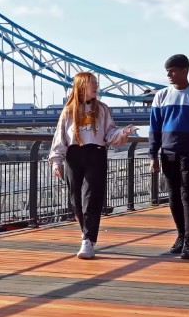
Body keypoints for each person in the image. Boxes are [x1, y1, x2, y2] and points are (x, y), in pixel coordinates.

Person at [49, 72, 137, 259]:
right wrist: (56, 161)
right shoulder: (68, 110)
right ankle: (86, 234)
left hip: (96, 153)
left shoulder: (102, 109)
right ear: (81, 86)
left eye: (96, 83)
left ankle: (88, 240)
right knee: (75, 200)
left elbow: (109, 133)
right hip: (74, 154)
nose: (96, 86)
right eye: (92, 83)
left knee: (91, 197)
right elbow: (60, 137)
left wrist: (123, 132)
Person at [149, 54, 189, 260]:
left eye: (173, 71)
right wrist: (153, 154)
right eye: (167, 71)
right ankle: (180, 235)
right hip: (167, 153)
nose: (169, 74)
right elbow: (154, 127)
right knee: (173, 196)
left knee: (187, 196)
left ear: (185, 70)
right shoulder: (161, 96)